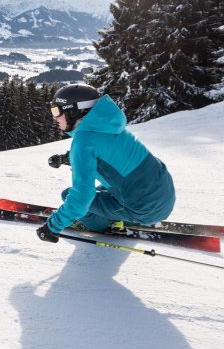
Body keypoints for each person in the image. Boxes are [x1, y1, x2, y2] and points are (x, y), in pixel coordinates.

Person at [36, 84, 176, 243]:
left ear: (73, 111)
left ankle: (101, 226)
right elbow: (106, 155)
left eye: (56, 110)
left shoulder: (83, 141)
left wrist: (52, 227)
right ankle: (120, 214)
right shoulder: (108, 126)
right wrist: (66, 158)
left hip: (145, 209)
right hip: (162, 192)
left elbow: (81, 198)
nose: (54, 117)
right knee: (96, 191)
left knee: (71, 196)